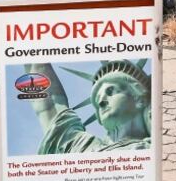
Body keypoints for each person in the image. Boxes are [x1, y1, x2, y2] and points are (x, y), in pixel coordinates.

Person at [23, 60, 151, 154]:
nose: (101, 102)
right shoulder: (82, 149)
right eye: (96, 101)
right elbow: (51, 105)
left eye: (110, 91)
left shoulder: (158, 147)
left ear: (139, 97)